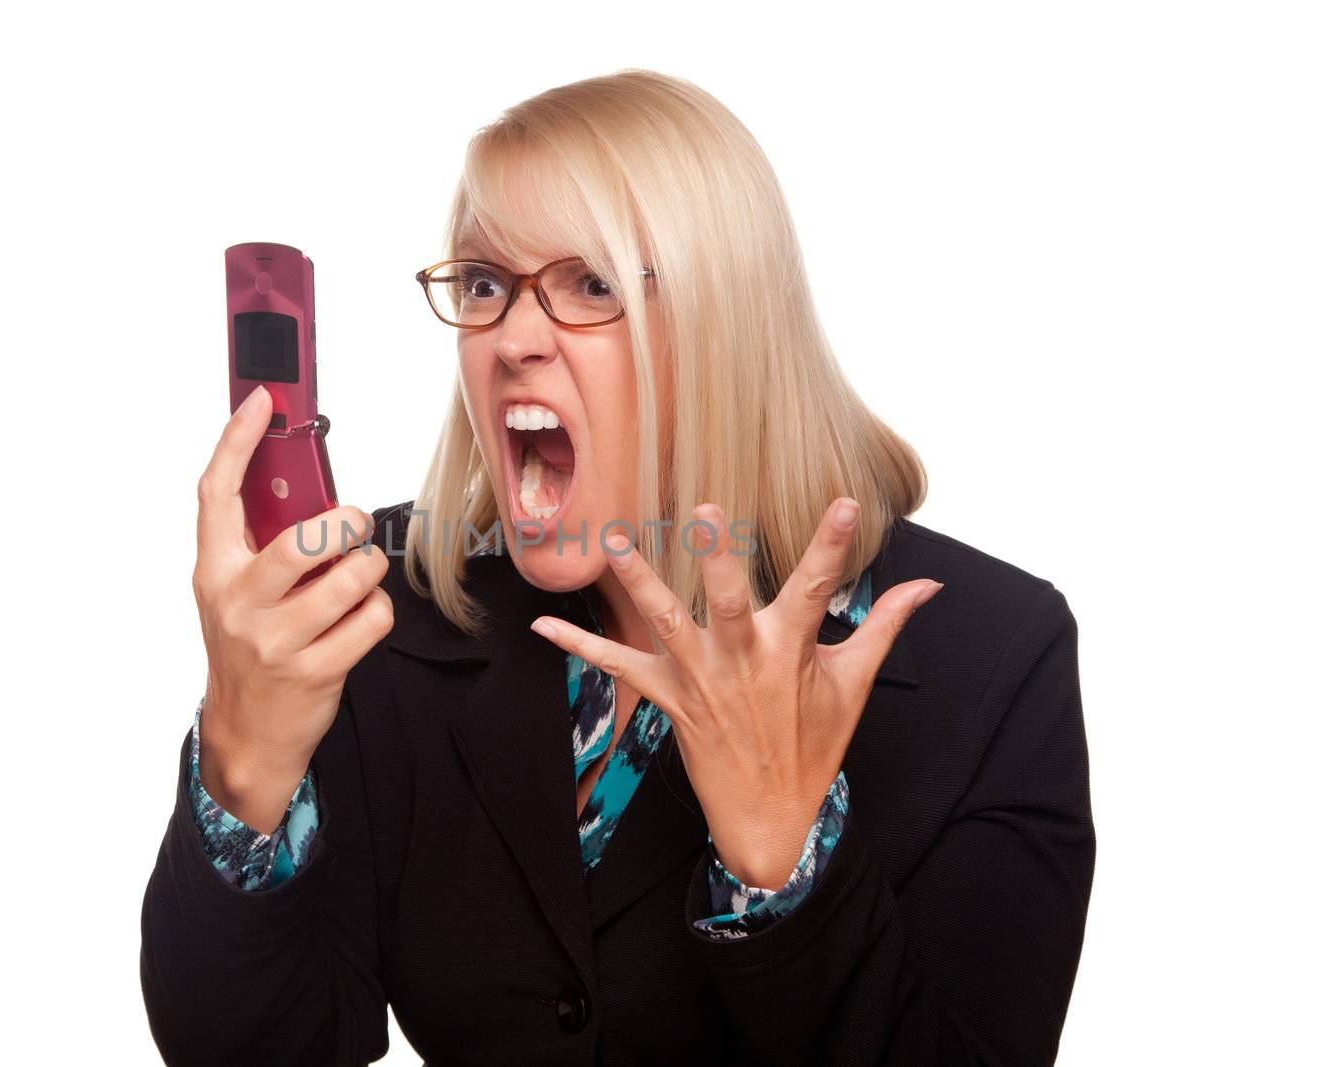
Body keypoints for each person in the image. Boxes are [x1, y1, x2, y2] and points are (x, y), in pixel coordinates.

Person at [140, 69, 1095, 1066]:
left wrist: (781, 855)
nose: (509, 338)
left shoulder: (991, 656)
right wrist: (243, 760)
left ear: (724, 328)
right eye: (482, 284)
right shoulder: (380, 602)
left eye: (590, 282)